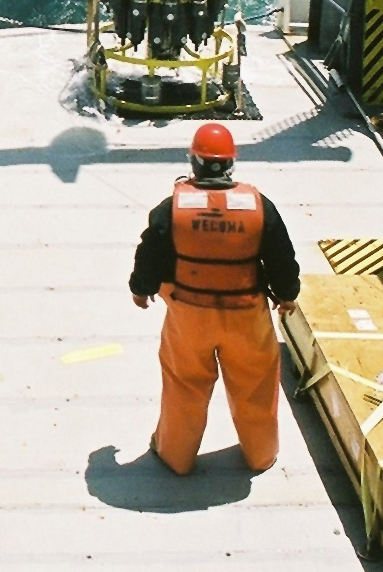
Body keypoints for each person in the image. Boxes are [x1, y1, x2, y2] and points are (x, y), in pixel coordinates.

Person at [128, 122, 300, 474]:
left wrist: (141, 288)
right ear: (231, 164)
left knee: (184, 386)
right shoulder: (258, 206)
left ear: (194, 162)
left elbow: (150, 252)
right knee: (255, 387)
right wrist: (286, 295)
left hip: (189, 316)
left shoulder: (171, 208)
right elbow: (281, 256)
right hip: (247, 314)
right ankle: (261, 455)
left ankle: (175, 456)